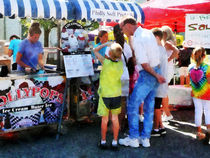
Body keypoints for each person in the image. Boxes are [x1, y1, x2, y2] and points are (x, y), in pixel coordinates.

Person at [118, 16, 165, 148]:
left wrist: (156, 75)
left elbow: (144, 63)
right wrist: (158, 74)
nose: (122, 32)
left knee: (133, 105)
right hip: (155, 71)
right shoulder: (148, 32)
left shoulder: (138, 39)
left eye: (122, 28)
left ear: (127, 25)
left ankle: (133, 138)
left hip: (149, 74)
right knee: (149, 107)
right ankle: (145, 138)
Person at [93, 43, 123, 150]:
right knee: (115, 119)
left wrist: (106, 44)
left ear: (109, 53)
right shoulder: (120, 64)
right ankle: (115, 142)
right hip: (116, 95)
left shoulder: (105, 63)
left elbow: (95, 50)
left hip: (105, 95)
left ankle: (103, 141)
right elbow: (119, 54)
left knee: (104, 120)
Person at [105, 24, 132, 132]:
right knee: (122, 102)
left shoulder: (111, 47)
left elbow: (107, 62)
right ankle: (119, 125)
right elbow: (131, 61)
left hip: (113, 76)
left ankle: (113, 126)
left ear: (114, 34)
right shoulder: (127, 46)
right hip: (125, 75)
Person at [188, 47, 210, 145]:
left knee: (198, 111)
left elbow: (190, 82)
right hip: (207, 94)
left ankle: (199, 132)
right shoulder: (207, 67)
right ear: (204, 56)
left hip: (195, 94)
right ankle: (208, 131)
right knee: (208, 112)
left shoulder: (190, 67)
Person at [151, 28, 168, 137]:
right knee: (157, 105)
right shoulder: (162, 49)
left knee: (156, 106)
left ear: (156, 37)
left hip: (157, 82)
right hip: (161, 81)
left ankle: (156, 129)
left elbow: (154, 66)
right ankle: (161, 126)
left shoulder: (157, 49)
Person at [161, 26, 179, 122]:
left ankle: (167, 113)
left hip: (166, 68)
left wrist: (168, 59)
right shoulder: (168, 43)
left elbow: (176, 52)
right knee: (164, 91)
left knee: (163, 91)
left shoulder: (167, 43)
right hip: (168, 68)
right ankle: (165, 112)